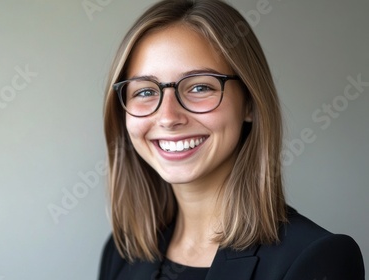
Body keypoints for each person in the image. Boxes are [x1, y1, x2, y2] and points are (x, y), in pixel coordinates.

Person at [98, 0, 365, 279]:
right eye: (144, 92)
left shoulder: (316, 259)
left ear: (249, 103)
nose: (168, 117)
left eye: (200, 87)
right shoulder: (121, 253)